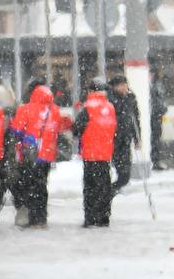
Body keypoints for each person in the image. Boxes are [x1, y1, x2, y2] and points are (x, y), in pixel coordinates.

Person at [9, 84, 71, 228]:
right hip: (46, 155)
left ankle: (29, 216)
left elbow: (16, 130)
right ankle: (40, 218)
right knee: (41, 186)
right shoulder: (54, 110)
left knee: (27, 185)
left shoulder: (25, 109)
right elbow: (59, 128)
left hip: (30, 155)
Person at [73, 78, 118, 228]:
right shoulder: (110, 107)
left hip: (90, 154)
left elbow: (77, 129)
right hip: (105, 154)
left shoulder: (88, 107)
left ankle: (91, 218)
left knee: (91, 187)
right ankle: (103, 217)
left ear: (91, 91)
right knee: (104, 186)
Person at [108, 76, 141, 195]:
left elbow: (135, 120)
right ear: (115, 87)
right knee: (117, 168)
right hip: (113, 139)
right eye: (121, 85)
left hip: (125, 139)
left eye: (125, 85)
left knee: (125, 175)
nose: (125, 87)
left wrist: (137, 139)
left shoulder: (130, 98)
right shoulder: (110, 99)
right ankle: (107, 192)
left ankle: (110, 191)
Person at [150, 69, 167, 169]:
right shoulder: (153, 86)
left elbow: (161, 102)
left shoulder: (157, 86)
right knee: (154, 140)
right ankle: (154, 160)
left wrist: (160, 111)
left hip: (155, 117)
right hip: (153, 117)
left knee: (155, 140)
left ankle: (155, 160)